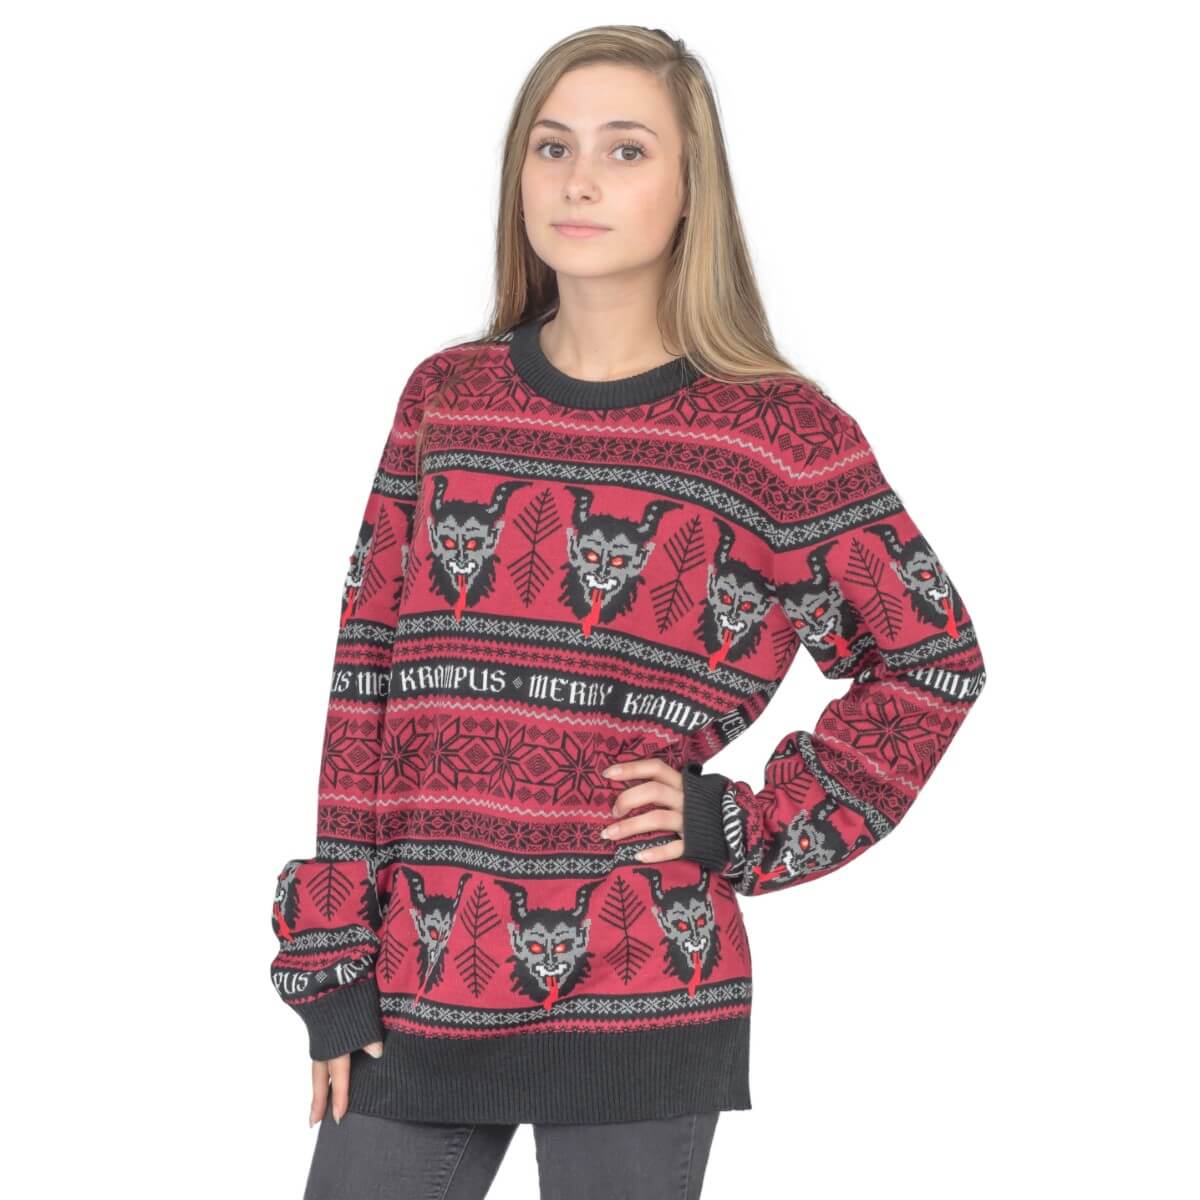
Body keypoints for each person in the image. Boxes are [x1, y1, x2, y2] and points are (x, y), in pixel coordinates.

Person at [268, 24, 987, 1200]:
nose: (579, 180)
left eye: (626, 149)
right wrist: (331, 954)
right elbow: (367, 687)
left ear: (692, 188)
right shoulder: (447, 400)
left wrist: (740, 825)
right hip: (414, 985)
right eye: (551, 147)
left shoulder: (778, 435)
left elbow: (932, 661)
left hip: (643, 981)